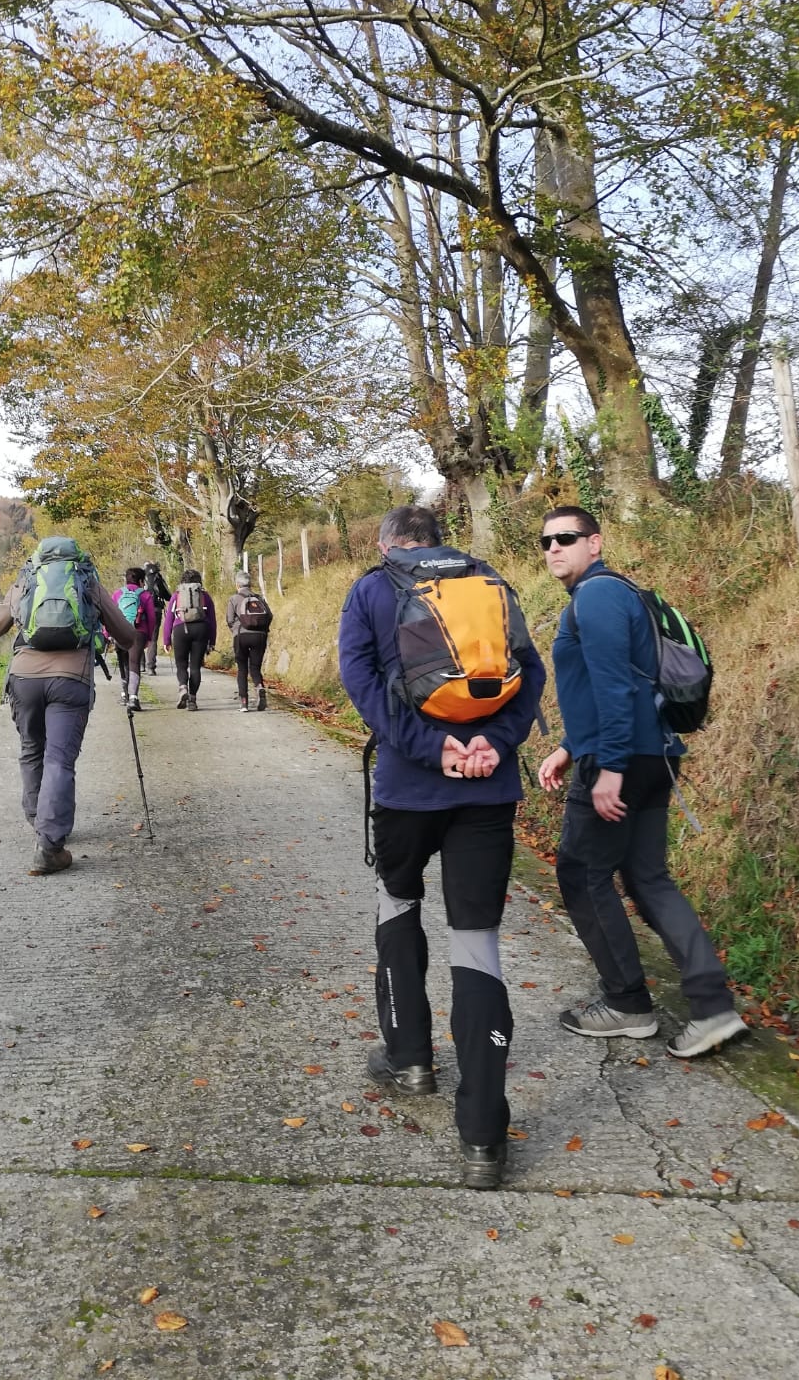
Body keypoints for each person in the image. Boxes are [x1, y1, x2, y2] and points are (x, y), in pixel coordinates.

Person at [338, 505, 546, 1190]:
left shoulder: (372, 589)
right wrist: (494, 743)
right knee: (476, 942)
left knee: (398, 904)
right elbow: (530, 674)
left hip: (406, 790)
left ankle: (410, 1058)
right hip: (489, 791)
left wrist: (434, 750)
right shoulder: (489, 581)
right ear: (438, 542)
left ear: (387, 544)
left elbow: (360, 682)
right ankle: (484, 1137)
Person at [536, 505, 747, 1058]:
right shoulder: (614, 594)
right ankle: (713, 1006)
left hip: (624, 758)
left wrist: (608, 767)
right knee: (647, 878)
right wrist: (569, 746)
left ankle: (627, 1004)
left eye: (566, 538)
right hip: (652, 753)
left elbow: (614, 687)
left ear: (595, 543)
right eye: (546, 541)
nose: (554, 547)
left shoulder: (597, 596)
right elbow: (623, 684)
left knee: (581, 874)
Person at [0, 536, 136, 876]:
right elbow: (126, 636)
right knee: (59, 758)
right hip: (71, 679)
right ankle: (49, 845)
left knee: (32, 748)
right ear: (77, 556)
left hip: (24, 679)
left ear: (40, 557)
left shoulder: (27, 580)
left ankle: (40, 820)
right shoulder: (86, 580)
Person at [161, 569, 218, 710]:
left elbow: (169, 619)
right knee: (195, 667)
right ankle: (192, 700)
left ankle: (183, 688)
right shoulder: (205, 596)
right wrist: (212, 641)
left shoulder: (176, 595)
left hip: (181, 629)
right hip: (201, 630)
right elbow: (212, 620)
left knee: (181, 665)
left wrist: (166, 640)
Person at [225, 571, 272, 712]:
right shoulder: (259, 598)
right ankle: (259, 687)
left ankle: (244, 702)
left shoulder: (234, 599)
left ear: (237, 585)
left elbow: (229, 619)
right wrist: (262, 630)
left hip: (241, 636)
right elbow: (270, 615)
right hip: (260, 636)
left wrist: (235, 630)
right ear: (250, 584)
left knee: (242, 669)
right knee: (255, 667)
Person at [112, 567, 156, 713]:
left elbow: (110, 614)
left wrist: (107, 633)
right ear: (141, 581)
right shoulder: (145, 595)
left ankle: (124, 694)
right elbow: (151, 618)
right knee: (134, 663)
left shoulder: (117, 594)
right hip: (138, 632)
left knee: (123, 662)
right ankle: (133, 698)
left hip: (120, 631)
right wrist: (149, 637)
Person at [143, 561, 172, 675]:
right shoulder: (158, 578)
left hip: (141, 611)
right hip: (156, 611)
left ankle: (140, 664)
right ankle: (151, 667)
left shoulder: (140, 577)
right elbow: (168, 596)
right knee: (153, 638)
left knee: (139, 636)